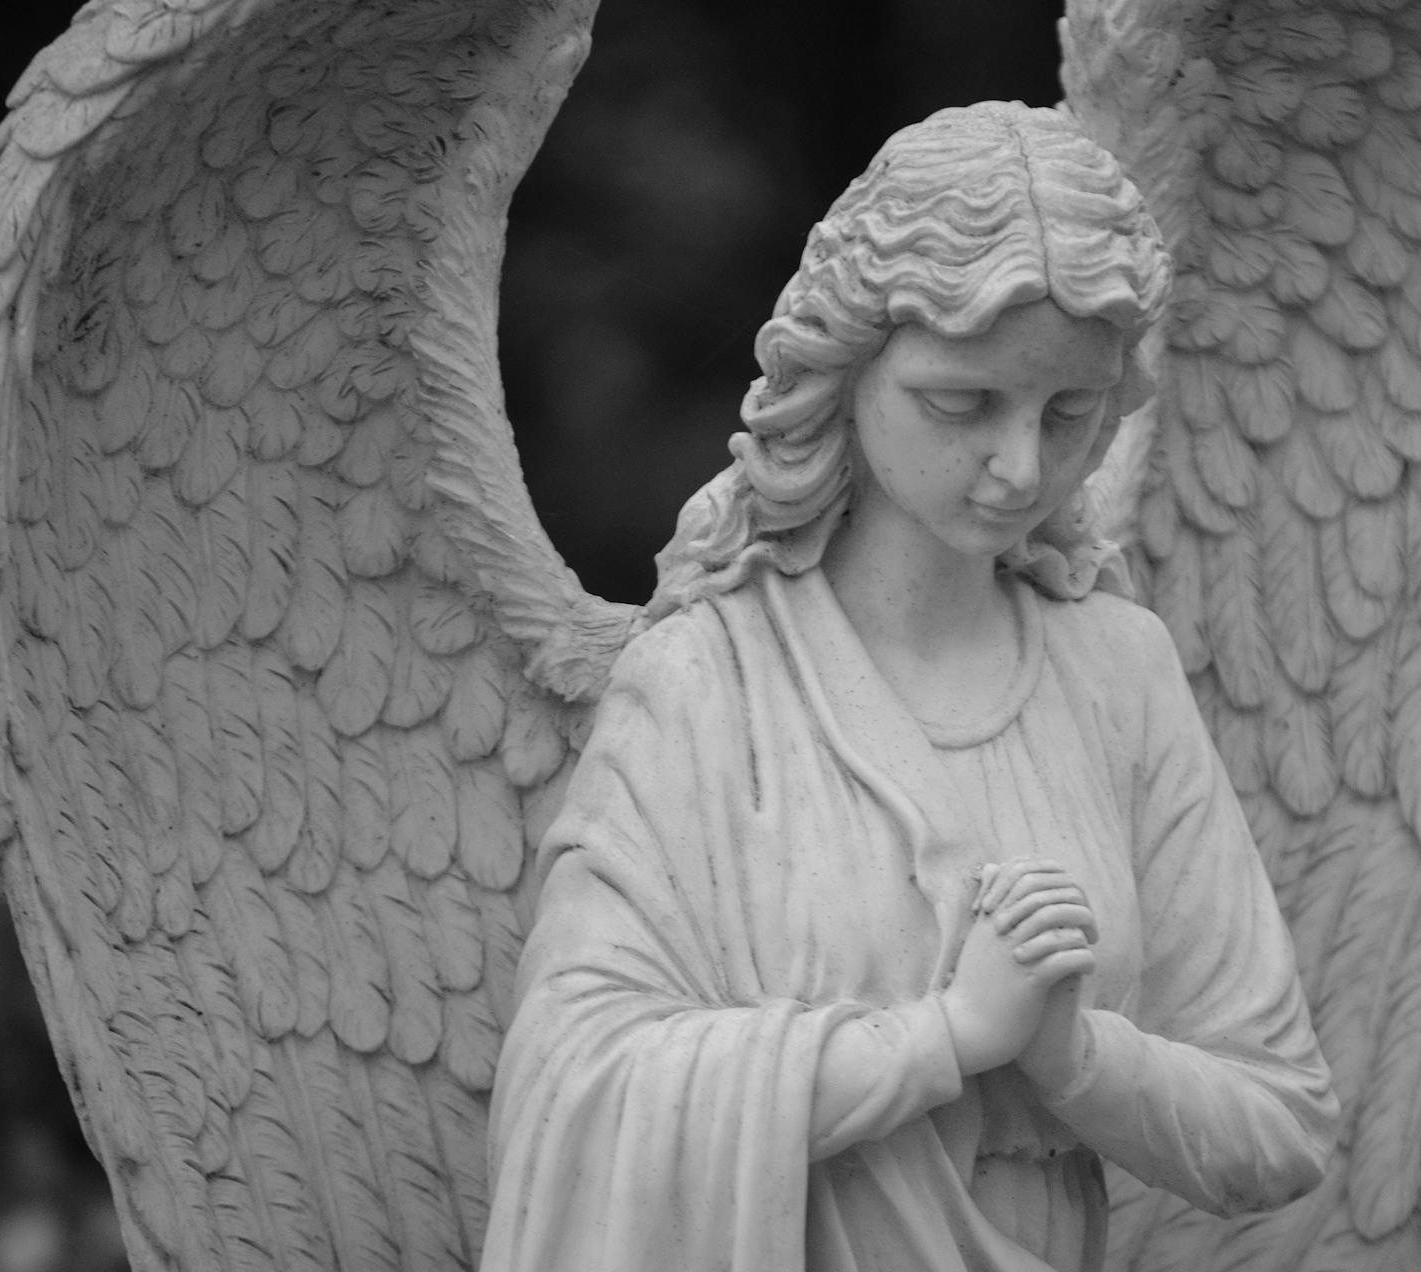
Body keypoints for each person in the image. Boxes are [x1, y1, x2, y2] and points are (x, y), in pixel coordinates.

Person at [480, 101, 1338, 1272]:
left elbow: (1279, 1122)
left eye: (1071, 414)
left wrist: (1070, 1059)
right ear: (848, 367)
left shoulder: (1115, 668)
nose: (1022, 467)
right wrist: (944, 1040)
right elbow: (577, 1092)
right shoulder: (705, 682)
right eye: (963, 403)